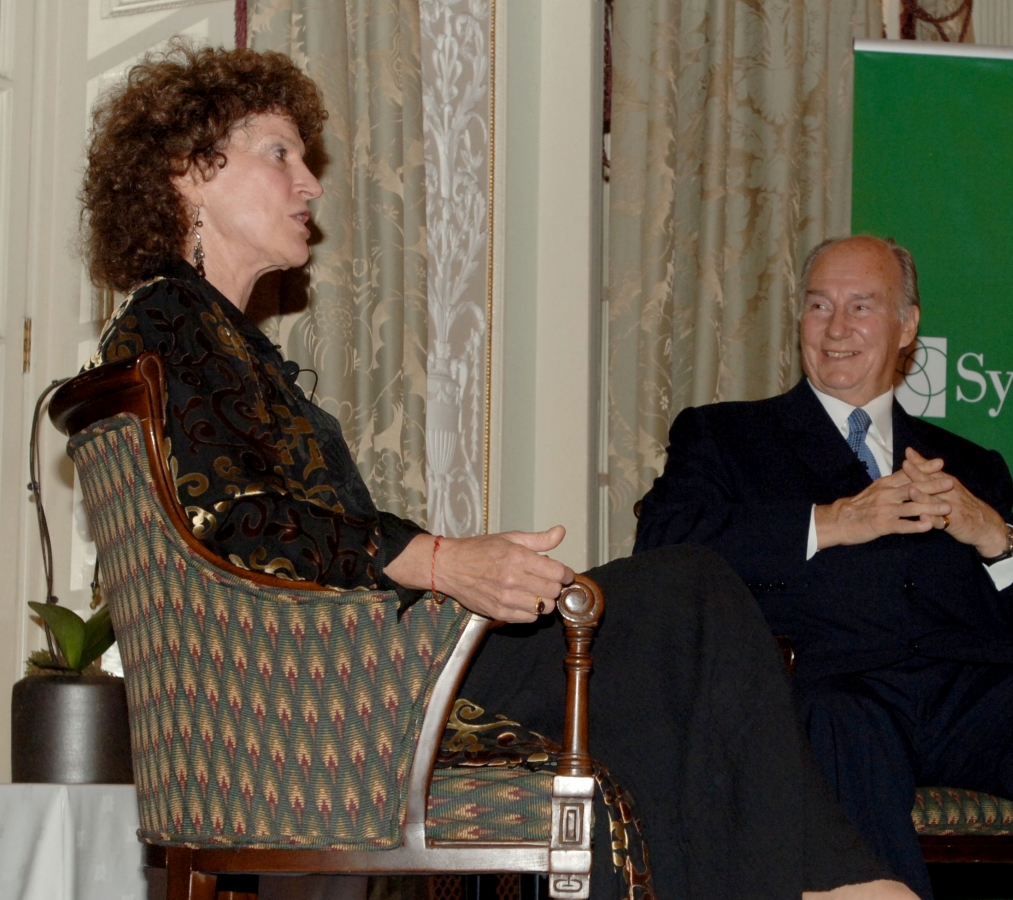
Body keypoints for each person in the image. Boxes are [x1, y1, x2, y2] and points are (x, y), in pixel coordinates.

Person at [78, 43, 918, 900]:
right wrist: (446, 562)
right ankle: (831, 885)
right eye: (278, 153)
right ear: (189, 172)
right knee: (684, 594)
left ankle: (806, 884)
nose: (311, 184)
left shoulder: (205, 337)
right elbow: (242, 523)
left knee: (659, 661)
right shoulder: (174, 322)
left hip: (333, 677)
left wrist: (446, 571)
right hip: (333, 695)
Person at [635, 236, 1013, 900]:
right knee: (843, 724)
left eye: (861, 306)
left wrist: (992, 536)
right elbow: (662, 547)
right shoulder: (726, 436)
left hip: (964, 694)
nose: (837, 327)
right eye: (819, 305)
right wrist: (833, 521)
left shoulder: (968, 464)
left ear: (907, 326)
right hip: (834, 686)